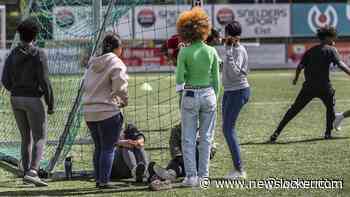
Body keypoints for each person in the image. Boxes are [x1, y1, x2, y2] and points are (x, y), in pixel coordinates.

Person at [269, 26, 350, 143]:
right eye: (333, 37)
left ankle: (276, 133)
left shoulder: (310, 51)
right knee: (330, 108)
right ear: (327, 37)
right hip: (324, 87)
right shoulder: (331, 50)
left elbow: (300, 67)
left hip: (308, 87)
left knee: (293, 110)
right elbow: (341, 65)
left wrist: (296, 79)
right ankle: (327, 133)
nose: (334, 40)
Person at [1, 18, 54, 187]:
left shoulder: (12, 54)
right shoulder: (39, 53)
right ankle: (32, 171)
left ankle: (25, 172)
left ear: (19, 35)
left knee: (26, 137)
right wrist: (50, 102)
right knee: (40, 136)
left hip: (15, 99)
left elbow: (4, 79)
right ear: (35, 35)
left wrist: (16, 91)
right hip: (33, 99)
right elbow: (45, 82)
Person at [175, 7, 220, 187]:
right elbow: (217, 80)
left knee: (188, 138)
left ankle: (191, 177)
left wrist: (182, 96)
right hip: (209, 94)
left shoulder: (184, 52)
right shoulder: (212, 51)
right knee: (206, 138)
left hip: (190, 94)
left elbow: (179, 79)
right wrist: (213, 97)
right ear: (204, 29)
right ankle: (204, 177)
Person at [82, 33, 128, 189]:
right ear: (118, 48)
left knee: (99, 148)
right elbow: (120, 86)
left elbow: (85, 85)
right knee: (108, 148)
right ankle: (104, 181)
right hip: (108, 112)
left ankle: (98, 179)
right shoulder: (116, 63)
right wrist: (123, 101)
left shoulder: (92, 63)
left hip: (89, 112)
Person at [221, 21, 250, 179]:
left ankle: (239, 170)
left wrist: (228, 52)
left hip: (238, 91)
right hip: (229, 91)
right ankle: (237, 168)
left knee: (228, 129)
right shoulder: (232, 48)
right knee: (226, 129)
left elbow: (236, 73)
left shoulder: (238, 50)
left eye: (226, 34)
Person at [148, 125, 217, 185]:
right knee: (175, 164)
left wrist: (202, 144)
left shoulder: (204, 129)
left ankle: (166, 175)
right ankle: (169, 174)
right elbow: (175, 151)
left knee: (179, 165)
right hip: (181, 161)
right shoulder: (177, 130)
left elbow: (212, 152)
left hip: (198, 163)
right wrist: (184, 160)